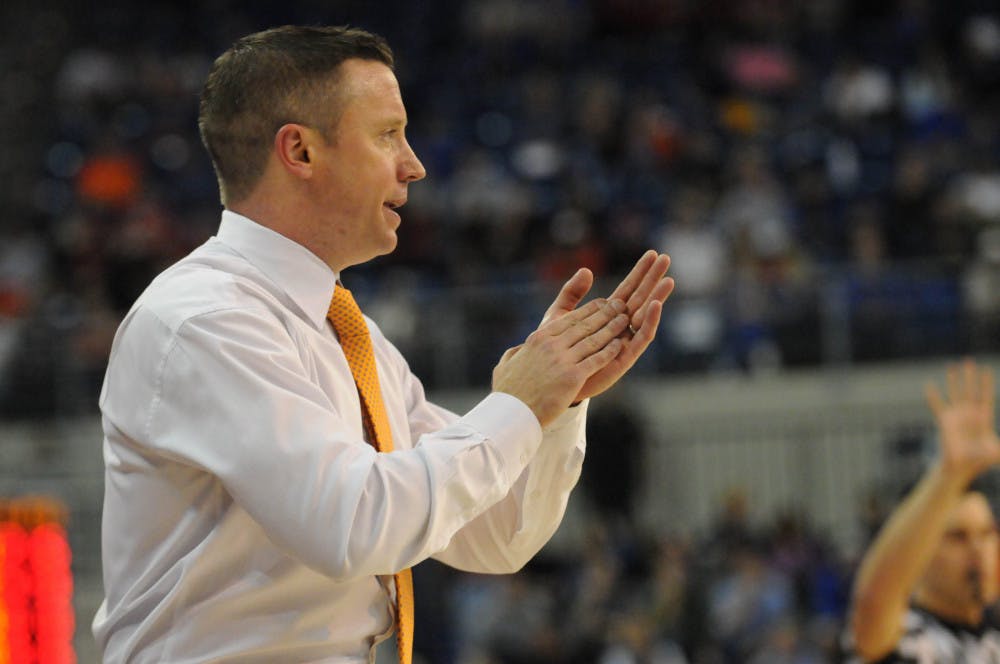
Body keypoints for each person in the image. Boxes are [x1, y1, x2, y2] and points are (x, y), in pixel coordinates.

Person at [91, 25, 674, 663]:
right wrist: (517, 404)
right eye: (387, 134)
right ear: (301, 152)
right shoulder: (203, 320)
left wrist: (555, 402)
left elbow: (496, 536)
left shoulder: (350, 333)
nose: (414, 164)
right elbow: (355, 523)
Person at [843, 360, 1000, 662]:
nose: (978, 549)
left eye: (987, 533)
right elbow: (873, 600)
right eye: (958, 537)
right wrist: (950, 475)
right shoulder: (907, 635)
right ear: (919, 551)